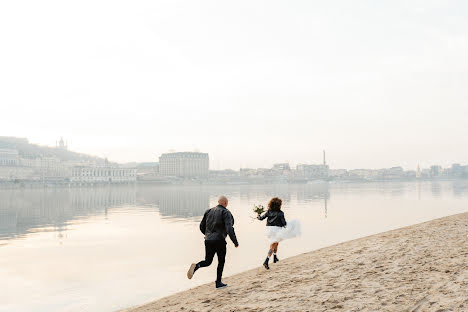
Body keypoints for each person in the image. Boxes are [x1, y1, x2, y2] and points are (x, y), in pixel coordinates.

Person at [187, 195, 239, 289]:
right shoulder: (226, 212)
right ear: (225, 203)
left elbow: (201, 226)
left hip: (208, 240)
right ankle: (218, 282)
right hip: (219, 240)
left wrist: (207, 235)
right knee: (221, 261)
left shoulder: (208, 211)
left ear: (218, 202)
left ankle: (197, 266)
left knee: (208, 261)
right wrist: (235, 242)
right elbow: (229, 228)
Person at [257, 197, 301, 270]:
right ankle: (266, 261)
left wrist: (258, 216)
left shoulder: (268, 212)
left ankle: (275, 257)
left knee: (276, 243)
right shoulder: (280, 213)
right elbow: (284, 224)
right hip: (276, 230)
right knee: (272, 246)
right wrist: (288, 226)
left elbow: (261, 218)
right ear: (279, 205)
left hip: (269, 230)